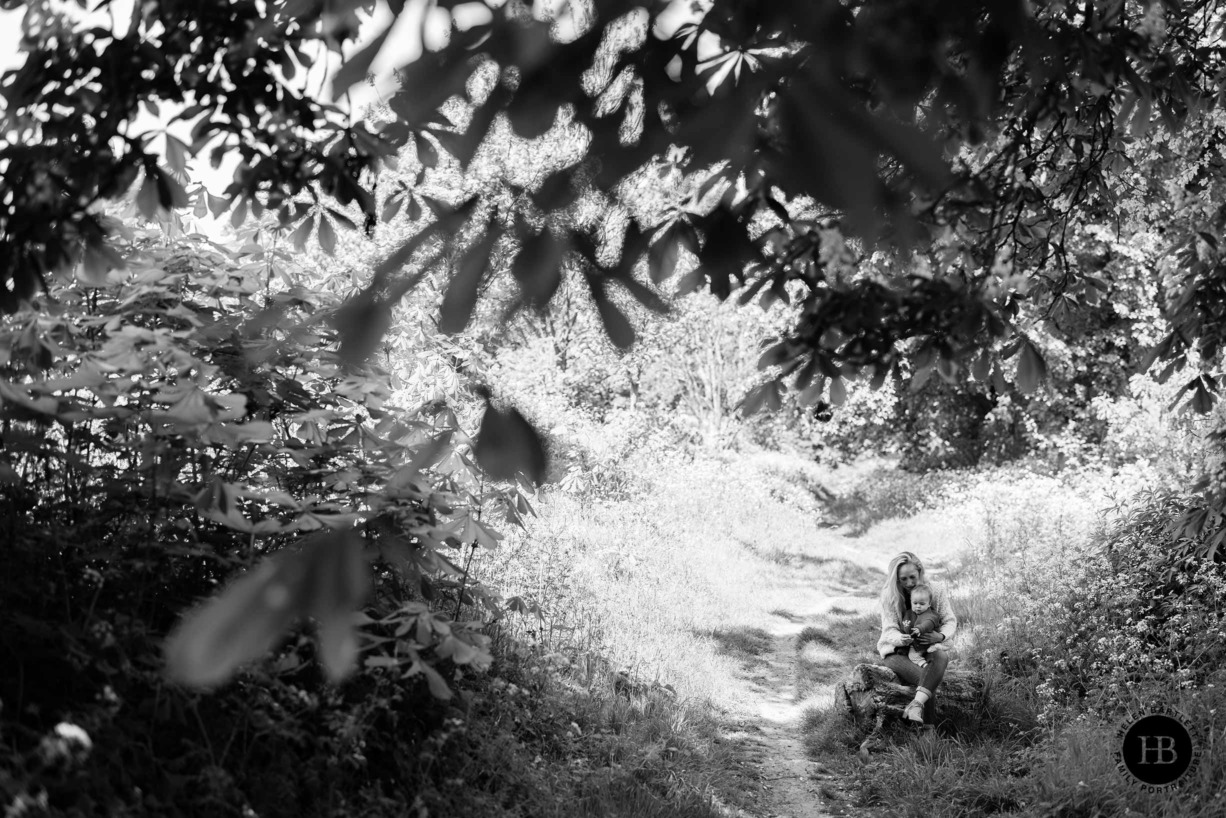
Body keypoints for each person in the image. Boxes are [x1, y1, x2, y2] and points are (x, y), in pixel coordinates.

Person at [877, 552, 957, 724]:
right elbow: (889, 629)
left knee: (940, 656)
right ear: (896, 579)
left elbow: (949, 620)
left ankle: (915, 706)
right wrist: (901, 638)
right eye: (902, 579)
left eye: (912, 577)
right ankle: (928, 730)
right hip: (897, 652)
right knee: (928, 678)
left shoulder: (935, 590)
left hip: (926, 647)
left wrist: (940, 635)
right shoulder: (890, 596)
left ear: (920, 572)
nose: (908, 583)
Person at [902, 584, 945, 668]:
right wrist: (904, 634)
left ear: (929, 604)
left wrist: (920, 629)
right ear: (911, 602)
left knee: (936, 651)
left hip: (929, 641)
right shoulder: (909, 613)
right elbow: (904, 624)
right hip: (916, 643)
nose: (918, 606)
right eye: (915, 603)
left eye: (922, 604)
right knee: (912, 655)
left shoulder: (931, 614)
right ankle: (925, 665)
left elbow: (928, 623)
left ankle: (933, 651)